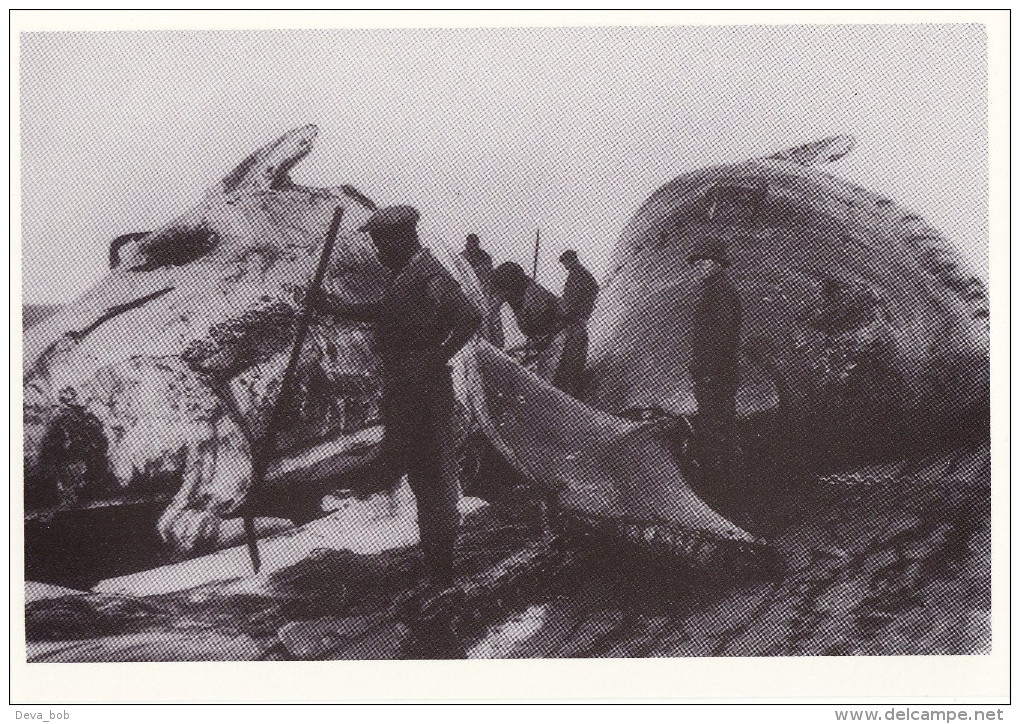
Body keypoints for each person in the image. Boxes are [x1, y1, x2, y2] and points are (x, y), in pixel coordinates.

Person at [308, 205, 481, 589]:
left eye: (380, 243)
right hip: (405, 386)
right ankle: (436, 566)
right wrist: (339, 308)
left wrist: (433, 359)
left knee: (433, 476)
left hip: (424, 388)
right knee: (421, 475)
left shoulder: (429, 273)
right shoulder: (406, 274)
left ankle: (442, 574)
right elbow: (390, 311)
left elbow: (469, 316)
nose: (377, 252)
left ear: (402, 238)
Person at [688, 237, 742, 503]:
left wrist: (707, 372)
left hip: (715, 376)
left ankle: (719, 493)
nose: (696, 266)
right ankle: (728, 490)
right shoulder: (718, 289)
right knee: (722, 429)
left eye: (702, 261)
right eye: (695, 262)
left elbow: (719, 337)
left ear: (717, 263)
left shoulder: (718, 292)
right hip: (718, 374)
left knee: (715, 430)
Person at [491, 262, 566, 379]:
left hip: (560, 345)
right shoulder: (524, 296)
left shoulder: (536, 303)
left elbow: (545, 339)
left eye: (503, 292)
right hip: (551, 342)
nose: (501, 296)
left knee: (546, 387)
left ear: (512, 288)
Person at [553, 250, 599, 396]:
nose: (564, 266)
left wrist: (578, 311)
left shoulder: (578, 275)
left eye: (565, 262)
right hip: (576, 319)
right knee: (574, 354)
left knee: (573, 355)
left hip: (575, 320)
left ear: (571, 260)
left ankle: (571, 389)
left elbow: (572, 300)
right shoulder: (578, 274)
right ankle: (571, 386)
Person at [461, 234, 505, 348]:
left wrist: (489, 292)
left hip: (484, 292)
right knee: (472, 320)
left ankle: (496, 346)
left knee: (491, 320)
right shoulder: (462, 257)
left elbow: (488, 276)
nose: (472, 246)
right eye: (470, 243)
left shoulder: (484, 257)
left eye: (475, 244)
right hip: (469, 293)